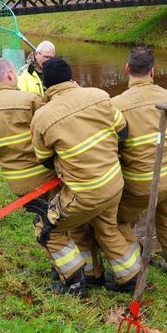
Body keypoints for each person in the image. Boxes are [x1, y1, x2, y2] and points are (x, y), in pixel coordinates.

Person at [30, 58, 142, 297]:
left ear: (45, 86)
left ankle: (76, 278)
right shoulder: (99, 96)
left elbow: (45, 159)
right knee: (106, 227)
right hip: (114, 183)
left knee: (45, 227)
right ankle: (130, 276)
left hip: (84, 193)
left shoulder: (42, 117)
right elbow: (123, 131)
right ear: (72, 78)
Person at [111, 46, 167, 281]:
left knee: (115, 219)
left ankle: (133, 260)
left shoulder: (116, 105)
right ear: (153, 71)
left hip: (139, 184)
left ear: (127, 69)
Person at [0, 58, 57, 208]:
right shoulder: (31, 100)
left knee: (46, 217)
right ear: (9, 74)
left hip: (17, 186)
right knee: (65, 222)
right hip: (49, 179)